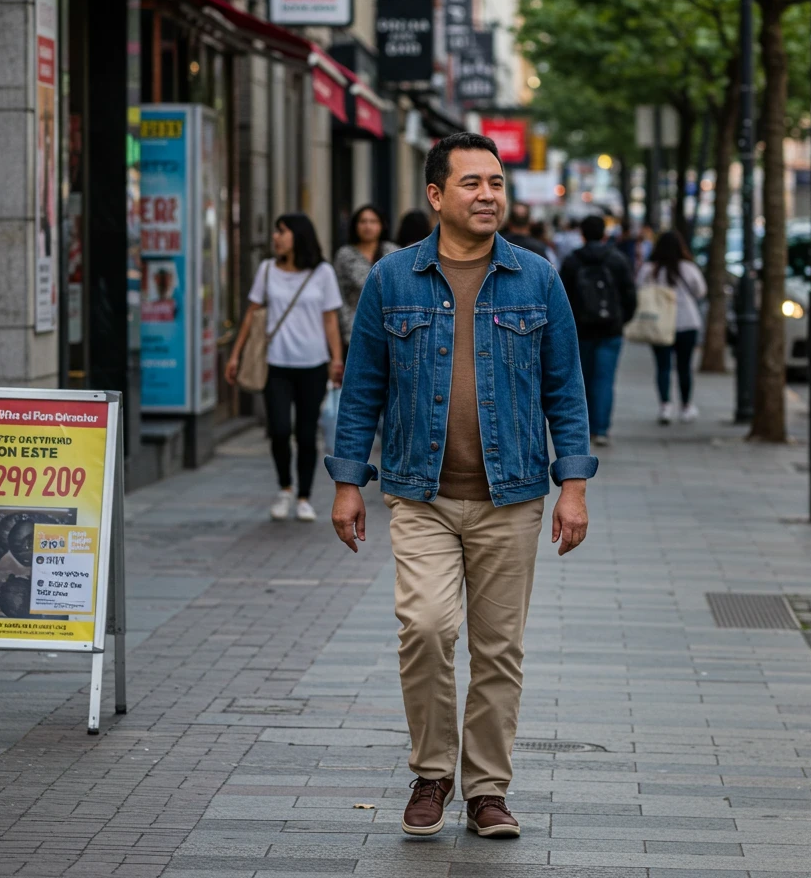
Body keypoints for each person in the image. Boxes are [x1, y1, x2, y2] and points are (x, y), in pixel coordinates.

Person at [327, 132, 596, 840]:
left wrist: (573, 484)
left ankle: (485, 790)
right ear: (437, 196)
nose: (488, 195)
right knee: (425, 627)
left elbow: (566, 390)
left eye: (497, 183)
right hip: (421, 494)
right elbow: (362, 390)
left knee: (498, 648)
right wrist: (347, 482)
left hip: (511, 496)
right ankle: (432, 771)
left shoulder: (537, 277)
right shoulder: (392, 280)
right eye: (473, 183)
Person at [226, 213, 344, 522]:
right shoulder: (266, 270)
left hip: (313, 365)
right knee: (279, 430)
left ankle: (304, 496)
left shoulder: (323, 273)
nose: (276, 237)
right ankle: (285, 488)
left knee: (306, 434)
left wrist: (336, 358)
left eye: (282, 231)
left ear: (298, 235)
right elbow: (251, 316)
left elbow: (330, 319)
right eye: (276, 231)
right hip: (275, 364)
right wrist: (235, 355)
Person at [559, 215, 637, 447]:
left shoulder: (573, 261)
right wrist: (622, 320)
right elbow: (630, 296)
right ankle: (601, 429)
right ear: (604, 234)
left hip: (581, 330)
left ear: (582, 234)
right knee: (605, 378)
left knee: (582, 379)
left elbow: (562, 298)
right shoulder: (618, 260)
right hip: (611, 330)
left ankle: (586, 428)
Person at [637, 230, 707, 423]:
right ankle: (685, 407)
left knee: (663, 367)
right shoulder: (688, 268)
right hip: (686, 323)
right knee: (685, 367)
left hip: (658, 324)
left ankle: (665, 406)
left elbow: (639, 290)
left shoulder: (650, 269)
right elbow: (701, 291)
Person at [333, 205, 399, 359]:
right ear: (355, 225)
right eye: (363, 222)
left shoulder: (393, 252)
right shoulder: (345, 255)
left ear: (382, 225)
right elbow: (339, 295)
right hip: (354, 330)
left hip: (391, 329)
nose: (368, 226)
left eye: (373, 221)